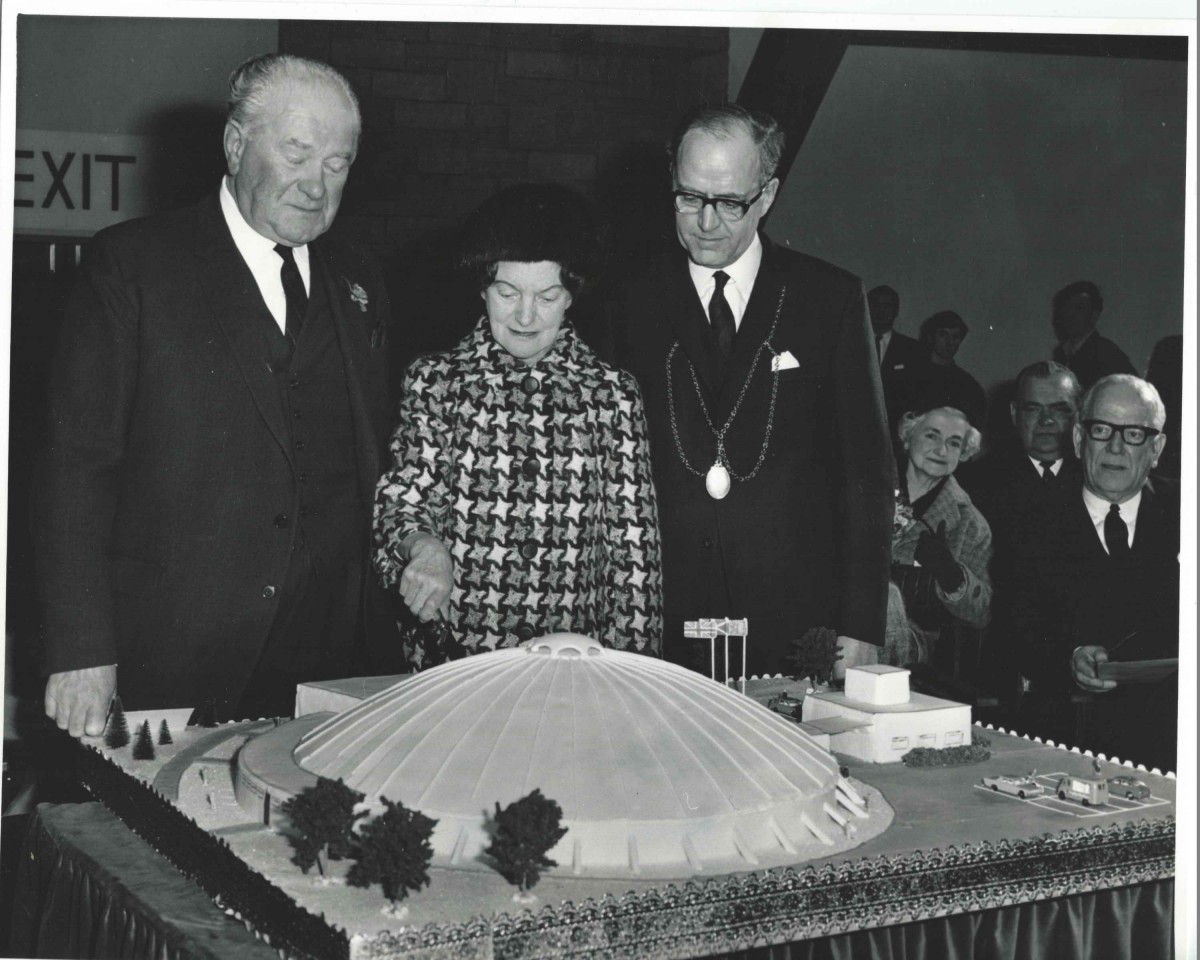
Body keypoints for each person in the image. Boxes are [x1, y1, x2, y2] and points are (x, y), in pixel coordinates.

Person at [34, 54, 394, 734]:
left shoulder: (361, 278)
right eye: (296, 153)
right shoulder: (132, 267)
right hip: (172, 653)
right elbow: (74, 469)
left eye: (337, 163)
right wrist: (81, 650)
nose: (316, 186)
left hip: (327, 666)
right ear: (235, 145)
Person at [593, 103, 892, 677]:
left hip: (795, 621)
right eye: (689, 197)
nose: (707, 222)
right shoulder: (622, 300)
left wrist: (861, 626)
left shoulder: (828, 299)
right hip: (659, 622)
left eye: (730, 203)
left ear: (769, 194)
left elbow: (866, 473)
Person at [373, 184, 663, 666]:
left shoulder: (612, 395)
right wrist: (422, 547)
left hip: (577, 664)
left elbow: (634, 563)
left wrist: (635, 675)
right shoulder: (436, 383)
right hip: (456, 657)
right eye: (507, 293)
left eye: (547, 296)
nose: (525, 316)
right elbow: (403, 503)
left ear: (571, 297)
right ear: (483, 289)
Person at [1011, 375, 1178, 772]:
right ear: (1078, 440)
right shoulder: (1029, 522)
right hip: (1074, 739)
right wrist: (1069, 658)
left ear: (1156, 449)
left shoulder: (1188, 511)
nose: (1116, 447)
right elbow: (1017, 630)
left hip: (1177, 736)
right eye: (1101, 430)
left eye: (1134, 433)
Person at [955, 361, 1082, 696]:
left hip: (1080, 658)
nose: (1046, 422)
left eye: (1060, 410)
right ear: (1014, 414)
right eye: (1032, 409)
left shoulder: (1099, 480)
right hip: (997, 656)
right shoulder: (975, 484)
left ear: (1079, 415)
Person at [888, 407, 992, 668]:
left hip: (910, 644)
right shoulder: (866, 488)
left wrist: (952, 576)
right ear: (908, 437)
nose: (942, 450)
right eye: (932, 436)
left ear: (964, 453)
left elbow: (983, 613)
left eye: (954, 443)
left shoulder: (971, 525)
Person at [1050, 280, 1136, 390]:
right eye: (1067, 308)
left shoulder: (1107, 354)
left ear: (1094, 315)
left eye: (1080, 308)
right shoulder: (1061, 355)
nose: (1071, 315)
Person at [912, 310, 987, 428]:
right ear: (931, 337)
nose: (950, 342)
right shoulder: (911, 375)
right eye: (943, 335)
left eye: (955, 337)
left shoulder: (968, 384)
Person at [868, 284, 926, 434]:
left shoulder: (912, 350)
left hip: (894, 433)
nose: (881, 311)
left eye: (887, 306)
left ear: (896, 311)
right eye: (876, 305)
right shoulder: (850, 345)